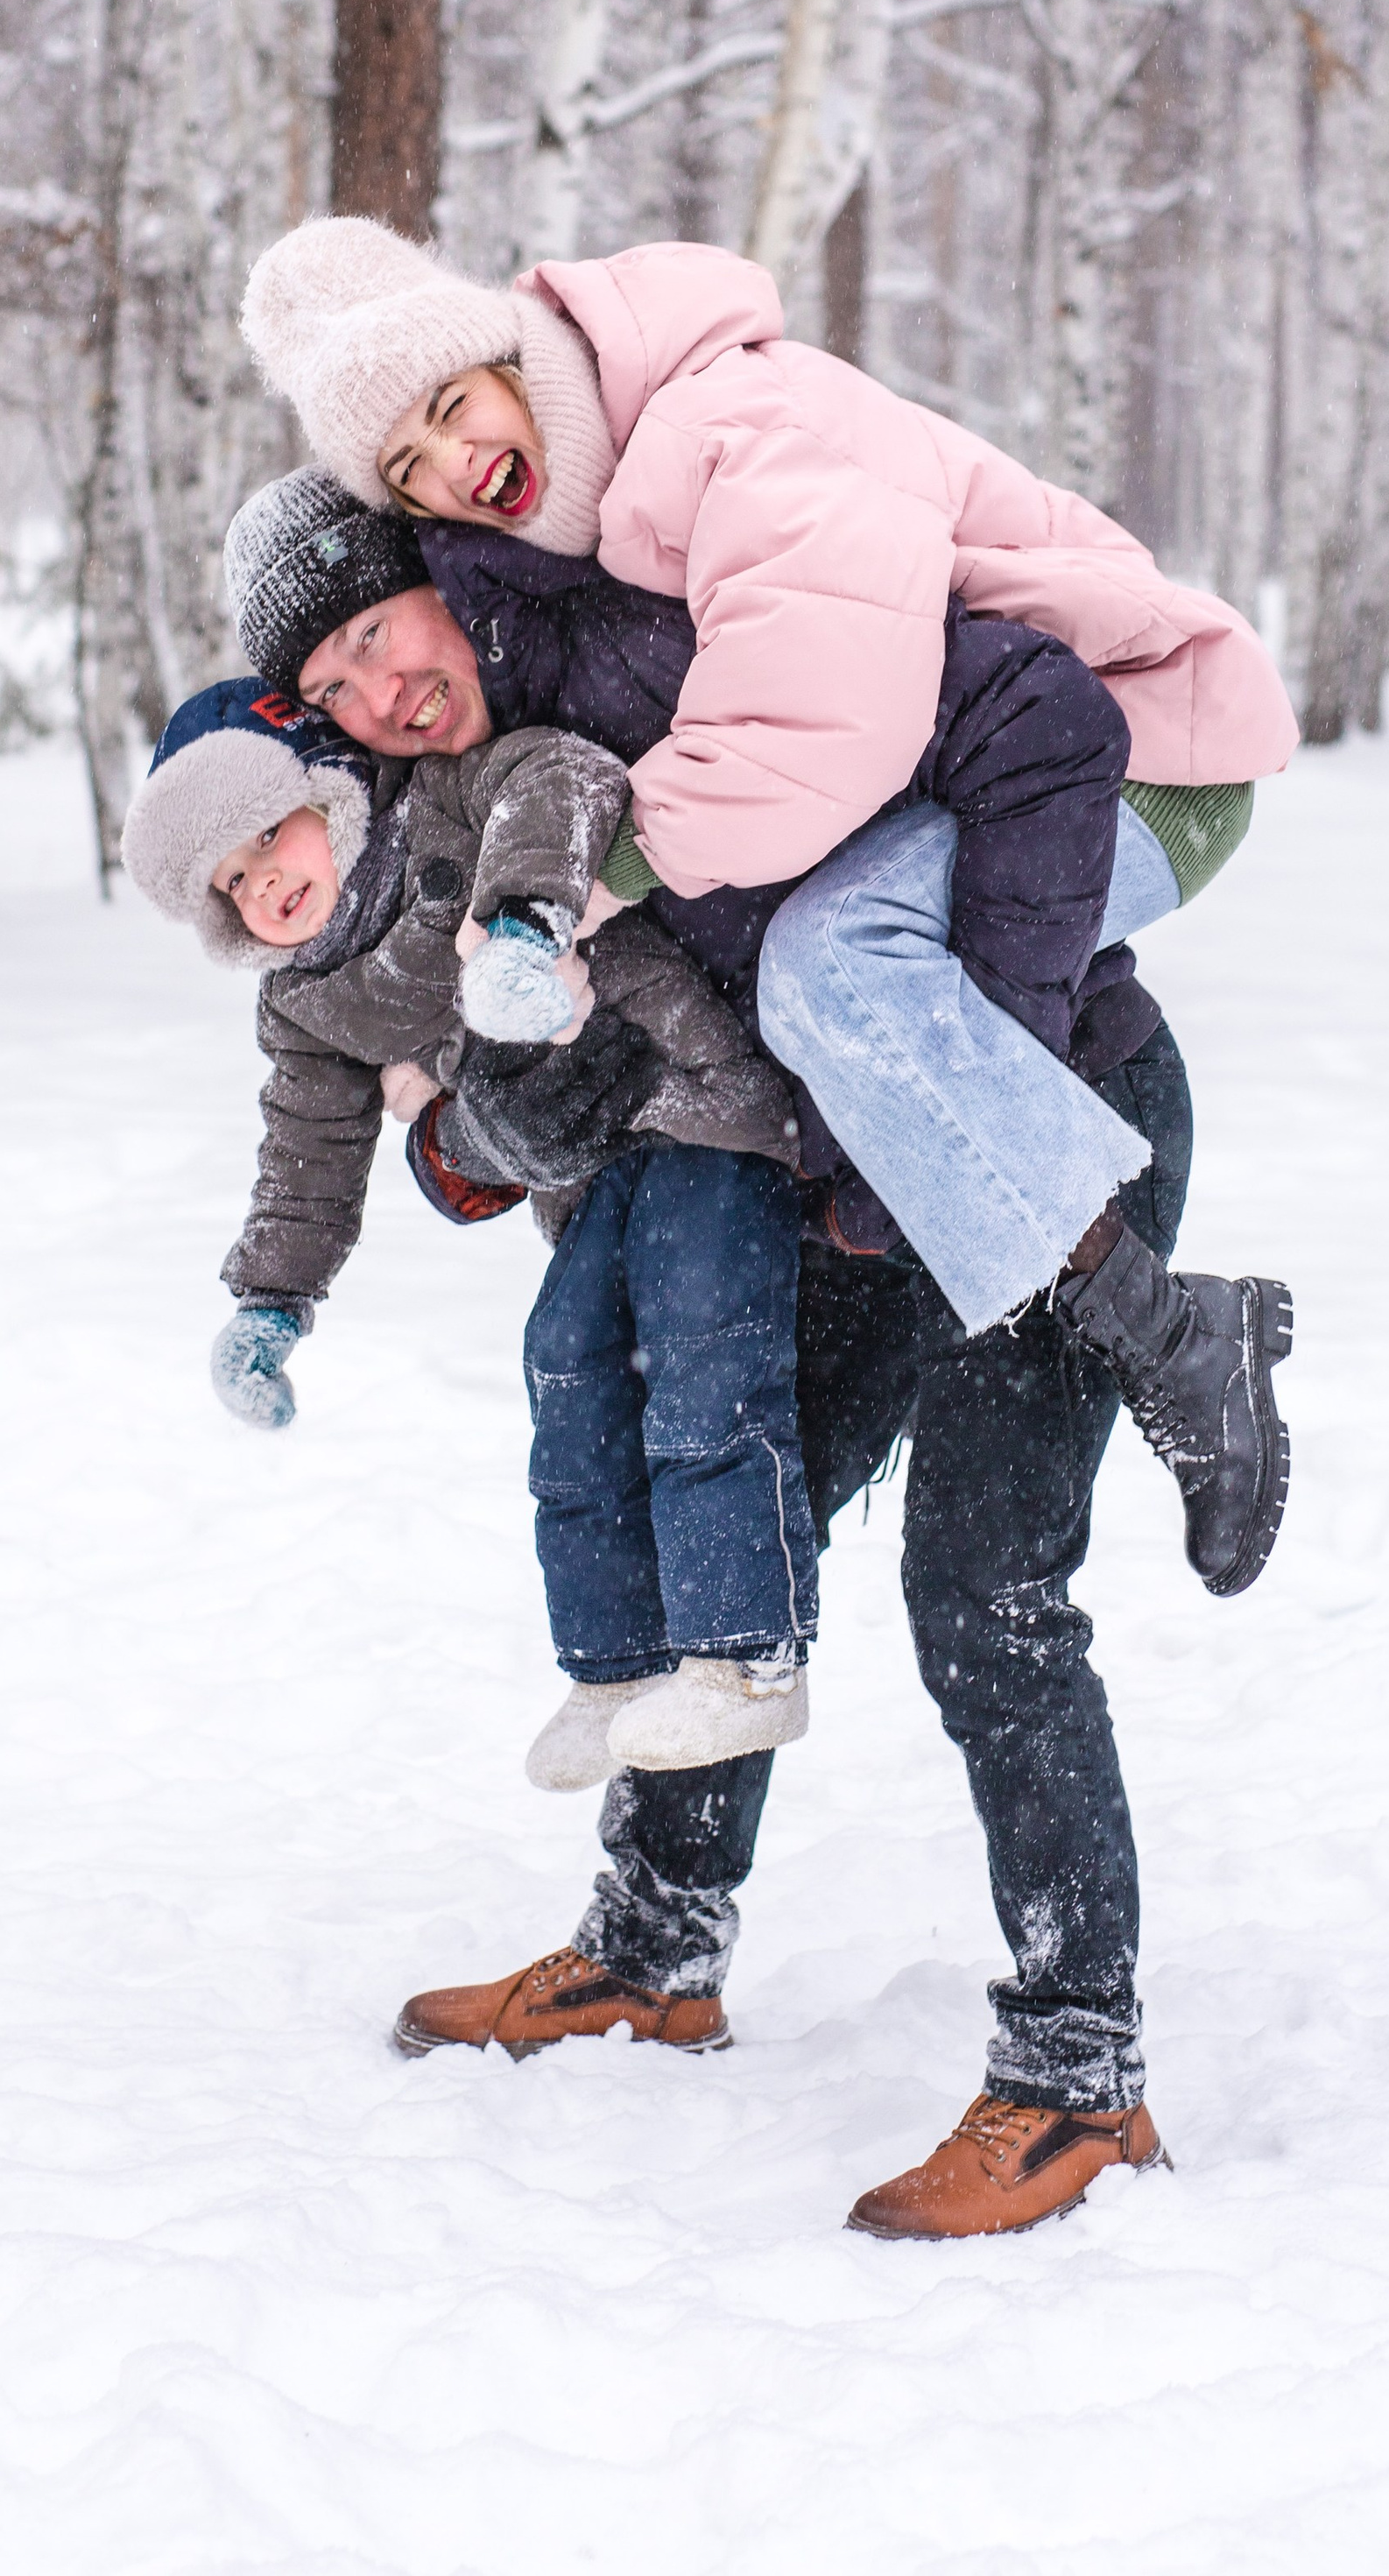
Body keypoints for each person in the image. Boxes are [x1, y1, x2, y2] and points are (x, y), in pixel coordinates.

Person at [210, 474, 1244, 2238]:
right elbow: (491, 1128)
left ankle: (1080, 2074)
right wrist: (490, 1109)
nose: (381, 685)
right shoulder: (460, 825)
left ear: (456, 585)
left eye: (384, 628)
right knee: (734, 1537)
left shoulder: (672, 662)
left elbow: (961, 811)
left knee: (982, 1592)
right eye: (337, 678)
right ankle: (652, 1952)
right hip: (834, 1196)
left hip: (1031, 1125)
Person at [235, 219, 1294, 1581]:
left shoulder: (726, 417)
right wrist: (449, 1103)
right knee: (827, 976)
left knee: (832, 961)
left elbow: (814, 728)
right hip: (993, 776)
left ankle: (1176, 1336)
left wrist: (585, 885)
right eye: (406, 468)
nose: (452, 462)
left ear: (511, 349)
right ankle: (1161, 1333)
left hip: (1147, 748)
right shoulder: (568, 560)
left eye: (451, 406)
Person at [118, 664, 821, 1780]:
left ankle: (746, 1660)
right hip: (584, 1175)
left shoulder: (437, 805)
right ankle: (615, 1667)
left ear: (320, 792)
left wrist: (525, 927)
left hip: (695, 1106)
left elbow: (561, 774)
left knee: (701, 1356)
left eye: (265, 840)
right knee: (568, 1367)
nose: (265, 883)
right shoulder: (305, 1000)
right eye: (234, 883)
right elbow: (305, 1151)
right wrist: (270, 1300)